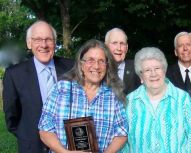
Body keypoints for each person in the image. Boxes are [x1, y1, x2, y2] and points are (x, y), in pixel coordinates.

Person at [38, 39, 128, 153]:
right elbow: (44, 129)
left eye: (101, 61)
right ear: (81, 64)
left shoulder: (113, 96)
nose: (96, 66)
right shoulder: (61, 88)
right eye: (90, 60)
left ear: (107, 66)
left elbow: (122, 132)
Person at [2, 20, 74, 153]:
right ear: (29, 43)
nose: (44, 45)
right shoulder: (14, 74)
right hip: (32, 148)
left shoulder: (71, 67)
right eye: (38, 39)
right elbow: (11, 116)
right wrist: (28, 136)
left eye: (48, 39)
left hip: (68, 146)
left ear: (55, 42)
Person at [121, 47, 191, 152]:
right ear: (141, 77)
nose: (153, 74)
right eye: (147, 70)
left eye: (157, 68)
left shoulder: (182, 99)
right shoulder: (130, 101)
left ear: (164, 71)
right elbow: (123, 143)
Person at [105, 28, 140, 94]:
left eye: (122, 43)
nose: (119, 48)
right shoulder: (99, 68)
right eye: (114, 43)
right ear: (106, 46)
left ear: (126, 48)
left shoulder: (137, 67)